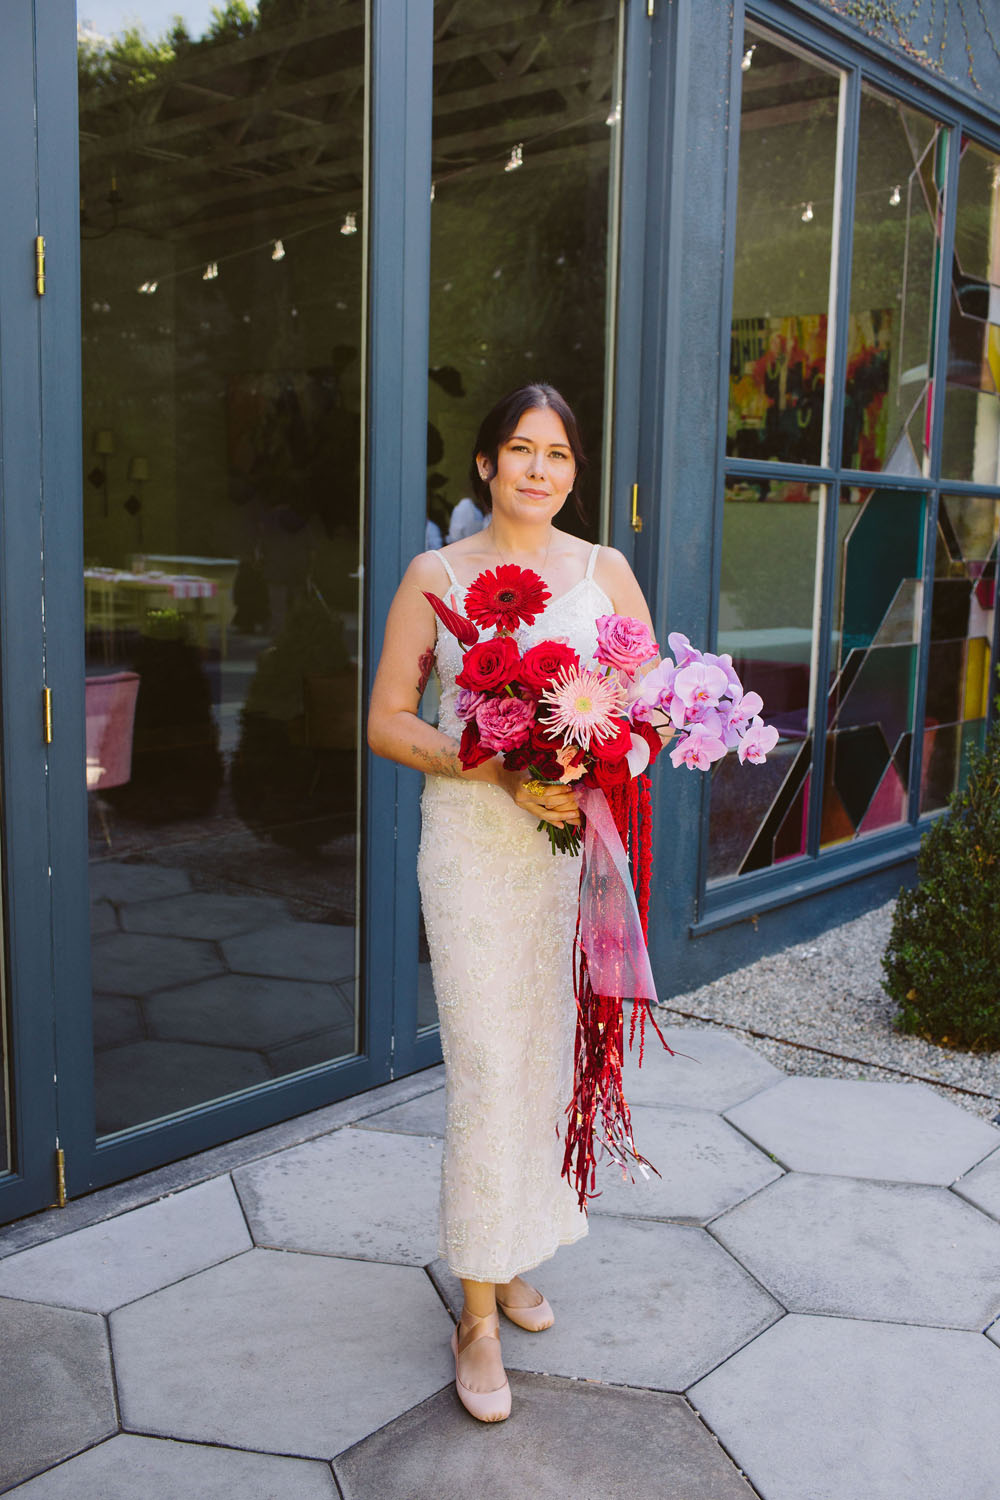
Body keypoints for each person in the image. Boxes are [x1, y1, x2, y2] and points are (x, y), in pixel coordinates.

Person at [367, 383, 662, 1423]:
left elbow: (653, 710)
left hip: (567, 856)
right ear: (486, 464)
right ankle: (476, 1316)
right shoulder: (435, 577)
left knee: (542, 1065)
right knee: (487, 1071)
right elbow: (387, 722)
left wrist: (602, 749)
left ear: (573, 473)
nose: (539, 470)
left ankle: (512, 1254)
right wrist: (489, 765)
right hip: (474, 852)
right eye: (519, 450)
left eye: (558, 456)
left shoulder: (603, 571)